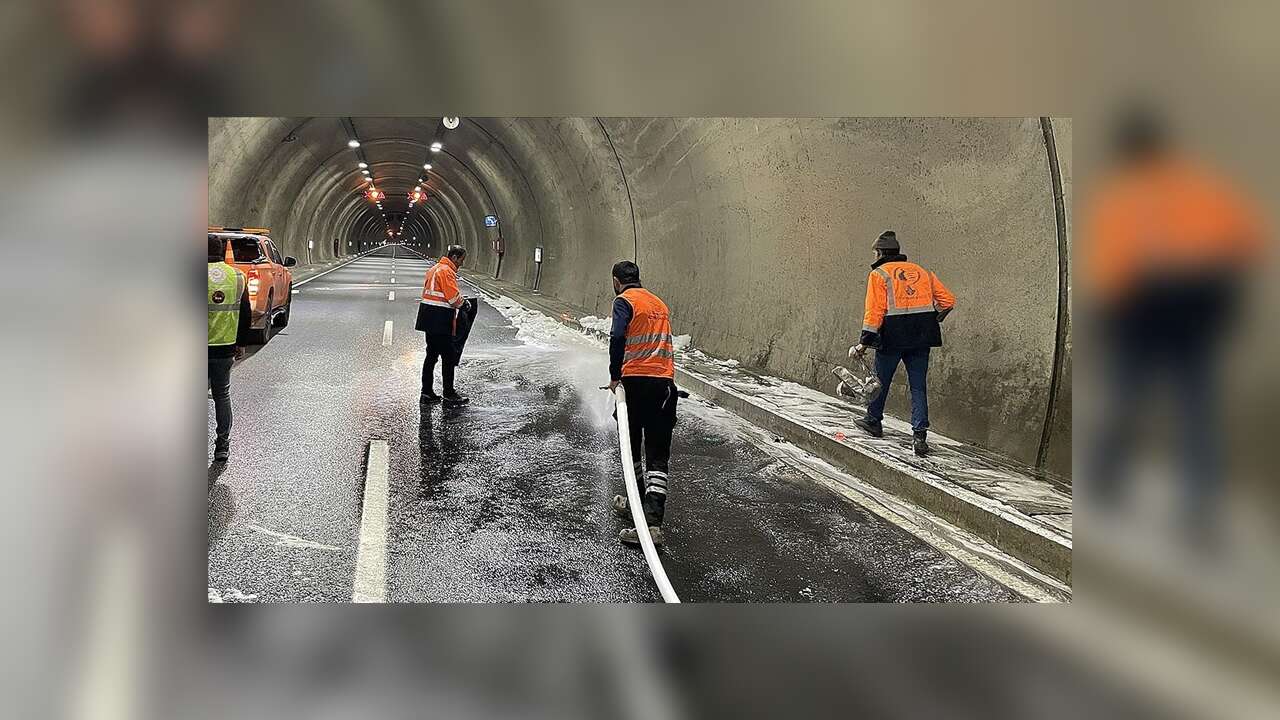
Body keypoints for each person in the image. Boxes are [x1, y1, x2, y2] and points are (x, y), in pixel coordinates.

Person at [1083, 107, 1264, 544]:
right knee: (1196, 411)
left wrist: (1103, 319)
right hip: (1196, 314)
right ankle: (1199, 511)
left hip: (1141, 312)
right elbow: (1249, 240)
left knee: (1125, 399)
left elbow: (1111, 268)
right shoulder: (1203, 185)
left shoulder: (1122, 196)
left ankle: (1105, 483)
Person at [851, 230, 956, 456]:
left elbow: (874, 312)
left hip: (892, 338)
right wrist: (931, 318)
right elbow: (948, 301)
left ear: (879, 252)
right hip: (921, 337)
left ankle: (873, 421)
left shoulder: (879, 275)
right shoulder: (922, 272)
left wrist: (863, 344)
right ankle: (919, 437)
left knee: (881, 382)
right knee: (918, 386)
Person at [606, 261, 678, 546]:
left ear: (616, 281)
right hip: (664, 385)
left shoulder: (624, 301)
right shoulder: (658, 303)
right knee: (658, 453)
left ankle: (643, 518)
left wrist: (614, 376)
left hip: (635, 382)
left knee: (630, 446)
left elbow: (618, 336)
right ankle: (650, 516)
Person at [208, 235, 248, 463]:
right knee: (221, 395)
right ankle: (222, 445)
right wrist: (241, 343)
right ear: (222, 251)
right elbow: (244, 313)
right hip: (225, 347)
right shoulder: (236, 276)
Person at [416, 244, 470, 407]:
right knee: (448, 356)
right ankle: (449, 394)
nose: (461, 263)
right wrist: (464, 304)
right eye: (461, 260)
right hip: (440, 318)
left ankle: (426, 392)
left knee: (431, 356)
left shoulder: (434, 269)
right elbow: (453, 299)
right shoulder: (447, 272)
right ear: (454, 257)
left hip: (427, 315)